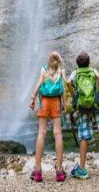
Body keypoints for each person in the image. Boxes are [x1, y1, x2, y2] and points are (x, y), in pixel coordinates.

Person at [28, 51, 67, 183]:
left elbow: (39, 83)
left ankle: (38, 171)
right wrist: (65, 104)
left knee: (41, 133)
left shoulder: (44, 69)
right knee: (58, 133)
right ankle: (59, 172)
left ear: (48, 60)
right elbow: (64, 88)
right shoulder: (61, 70)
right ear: (59, 60)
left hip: (44, 101)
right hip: (56, 102)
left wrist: (33, 98)